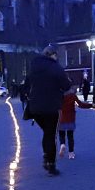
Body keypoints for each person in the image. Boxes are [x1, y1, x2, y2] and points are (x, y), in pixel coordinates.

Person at [22, 44, 71, 176]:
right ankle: (50, 164)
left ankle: (46, 156)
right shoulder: (56, 67)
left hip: (35, 108)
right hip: (51, 106)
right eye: (56, 55)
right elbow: (66, 86)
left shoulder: (33, 66)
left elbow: (26, 86)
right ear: (52, 55)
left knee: (46, 132)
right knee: (50, 134)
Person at [58, 85, 77, 159]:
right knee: (70, 136)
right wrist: (91, 105)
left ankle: (62, 144)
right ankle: (71, 153)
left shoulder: (58, 96)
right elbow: (81, 104)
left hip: (61, 118)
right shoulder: (72, 95)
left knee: (61, 134)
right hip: (70, 119)